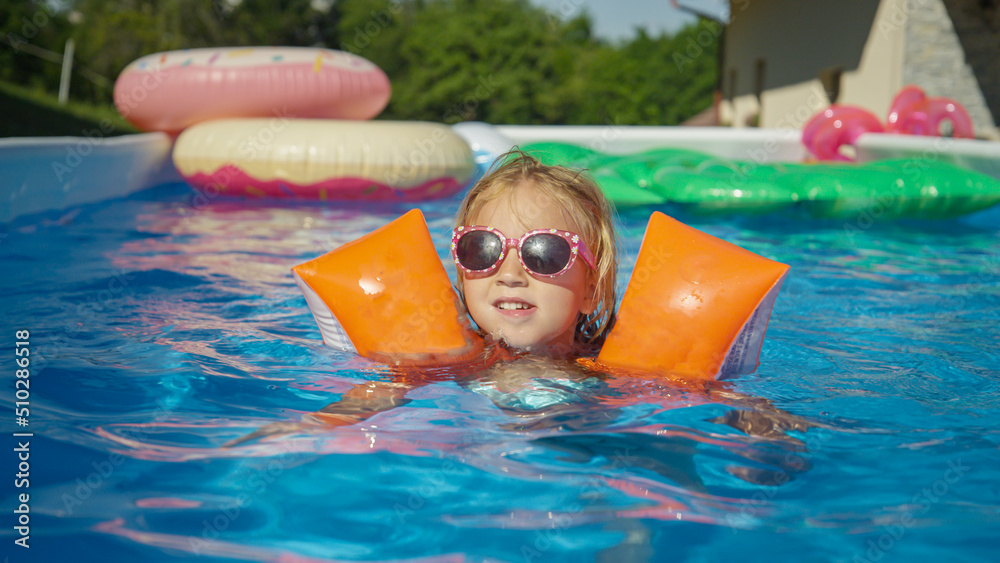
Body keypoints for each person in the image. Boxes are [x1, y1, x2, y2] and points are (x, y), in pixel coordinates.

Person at [450, 149, 619, 358]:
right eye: (483, 248)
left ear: (591, 291)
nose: (510, 276)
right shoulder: (444, 362)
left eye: (543, 253)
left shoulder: (613, 377)